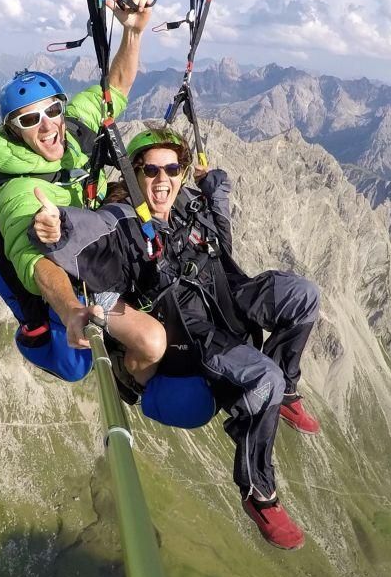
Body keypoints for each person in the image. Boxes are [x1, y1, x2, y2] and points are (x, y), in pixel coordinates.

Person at [34, 125, 322, 550]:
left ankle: (288, 392)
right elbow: (82, 233)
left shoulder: (189, 205)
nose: (162, 179)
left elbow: (217, 207)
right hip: (193, 332)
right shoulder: (124, 225)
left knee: (303, 296)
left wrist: (214, 181)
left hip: (229, 297)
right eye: (150, 171)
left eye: (172, 168)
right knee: (266, 380)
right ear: (134, 175)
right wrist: (55, 227)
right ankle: (259, 492)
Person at [0, 0, 166, 390]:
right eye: (30, 119)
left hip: (104, 245)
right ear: (14, 131)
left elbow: (115, 87)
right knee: (152, 341)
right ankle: (132, 377)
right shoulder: (18, 191)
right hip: (86, 280)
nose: (47, 126)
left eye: (52, 111)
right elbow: (34, 263)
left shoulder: (72, 133)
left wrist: (132, 33)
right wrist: (71, 310)